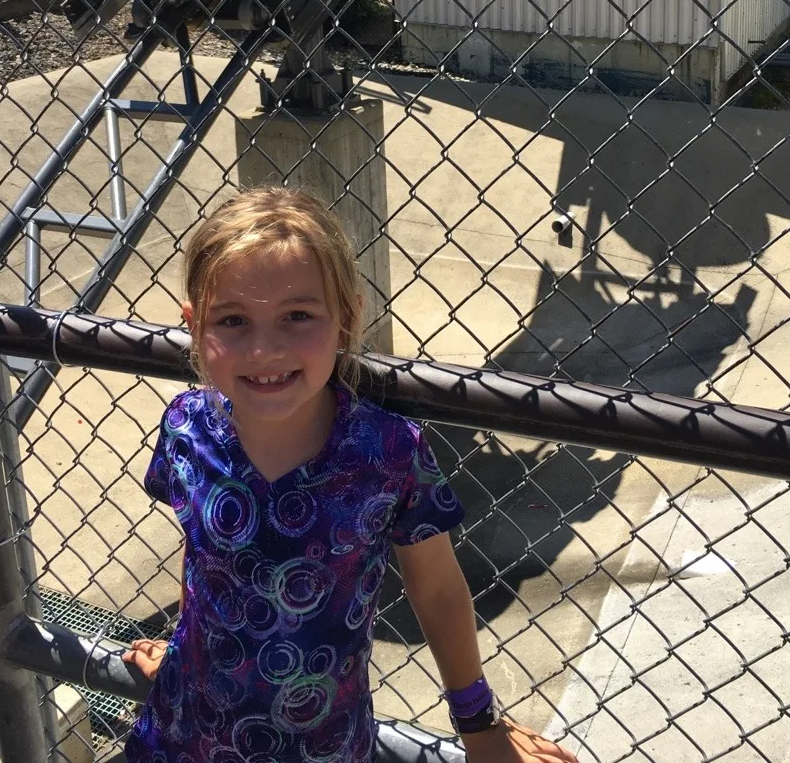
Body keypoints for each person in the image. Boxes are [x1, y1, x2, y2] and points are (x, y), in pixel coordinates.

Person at [121, 187, 579, 763]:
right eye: (232, 320)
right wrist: (188, 649)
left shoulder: (387, 452)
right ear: (193, 327)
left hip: (324, 749)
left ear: (346, 319)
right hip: (182, 735)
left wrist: (478, 722)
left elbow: (436, 590)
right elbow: (207, 565)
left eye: (298, 316)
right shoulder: (186, 430)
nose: (264, 348)